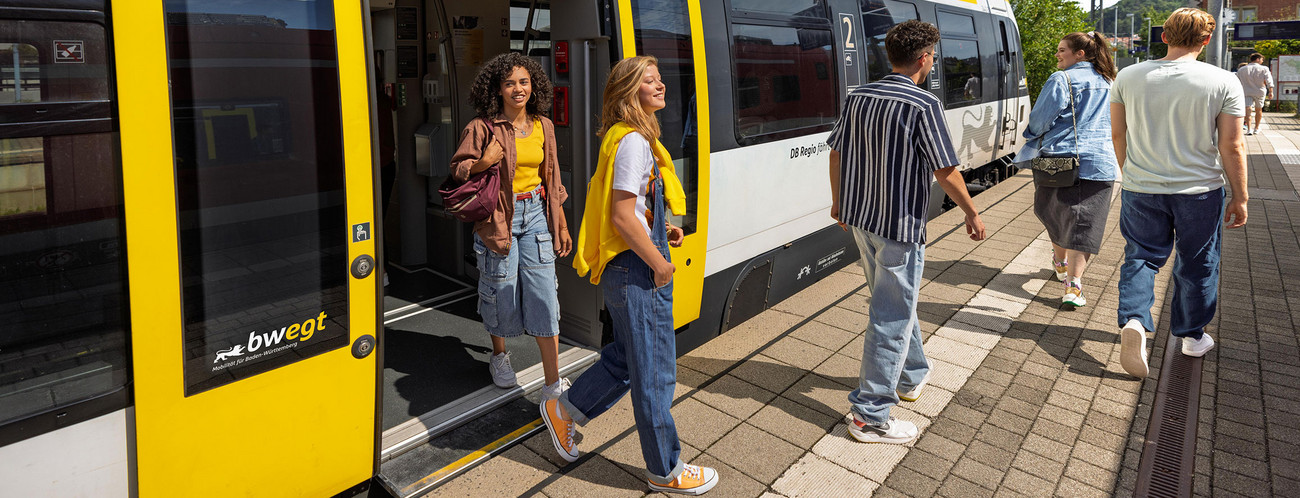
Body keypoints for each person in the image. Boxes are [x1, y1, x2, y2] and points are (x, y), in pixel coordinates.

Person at [541, 55, 718, 495]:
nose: (662, 87)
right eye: (650, 81)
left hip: (629, 268)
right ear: (629, 92)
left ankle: (565, 412)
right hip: (638, 271)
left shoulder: (630, 139)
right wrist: (659, 263)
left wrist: (661, 226)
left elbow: (631, 206)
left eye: (660, 80)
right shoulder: (636, 142)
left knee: (624, 359)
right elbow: (622, 215)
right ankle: (666, 470)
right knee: (655, 371)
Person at [827, 20, 987, 445]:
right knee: (891, 313)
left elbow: (837, 150)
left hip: (860, 218)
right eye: (933, 54)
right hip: (898, 226)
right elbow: (945, 169)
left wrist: (839, 201)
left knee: (892, 301)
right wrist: (971, 211)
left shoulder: (858, 95)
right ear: (924, 58)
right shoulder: (923, 104)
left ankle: (911, 374)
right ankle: (870, 415)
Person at [1110, 8, 1247, 379]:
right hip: (1200, 192)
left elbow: (1118, 135)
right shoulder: (1223, 81)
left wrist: (1132, 174)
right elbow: (1232, 146)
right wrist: (1241, 196)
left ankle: (1135, 321)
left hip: (1141, 187)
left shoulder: (1129, 75)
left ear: (1164, 36)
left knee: (1141, 257)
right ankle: (1191, 336)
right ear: (1206, 41)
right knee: (1198, 262)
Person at [450, 52, 572, 398]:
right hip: (497, 220)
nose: (518, 89)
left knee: (545, 295)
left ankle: (553, 382)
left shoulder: (543, 125)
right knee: (500, 290)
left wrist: (559, 225)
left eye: (524, 82)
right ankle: (500, 356)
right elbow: (457, 169)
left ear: (534, 85)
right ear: (497, 89)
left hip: (535, 213)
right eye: (510, 83)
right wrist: (482, 162)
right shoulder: (481, 127)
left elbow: (552, 178)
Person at [1019, 32, 1120, 307]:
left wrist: (1032, 134)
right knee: (1084, 224)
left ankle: (1068, 275)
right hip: (1100, 164)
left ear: (1080, 54)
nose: (1057, 54)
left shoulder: (1061, 79)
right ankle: (1072, 285)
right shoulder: (1111, 81)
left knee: (1057, 215)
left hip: (1059, 162)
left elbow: (1039, 121)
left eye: (1062, 49)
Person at [1237, 52, 1274, 135]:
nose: (1262, 61)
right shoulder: (1264, 69)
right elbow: (1269, 80)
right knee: (1259, 109)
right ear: (1257, 59)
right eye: (1261, 59)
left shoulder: (1242, 69)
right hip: (1259, 91)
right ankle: (1256, 128)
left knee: (1247, 109)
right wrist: (1271, 91)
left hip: (1246, 91)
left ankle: (1249, 128)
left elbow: (1237, 80)